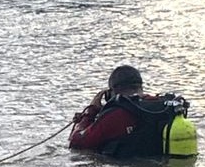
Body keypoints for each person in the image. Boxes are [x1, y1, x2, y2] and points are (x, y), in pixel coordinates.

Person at [68, 65, 197, 158]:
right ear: (140, 86)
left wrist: (90, 112)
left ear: (112, 92)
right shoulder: (162, 106)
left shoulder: (114, 115)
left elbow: (77, 143)